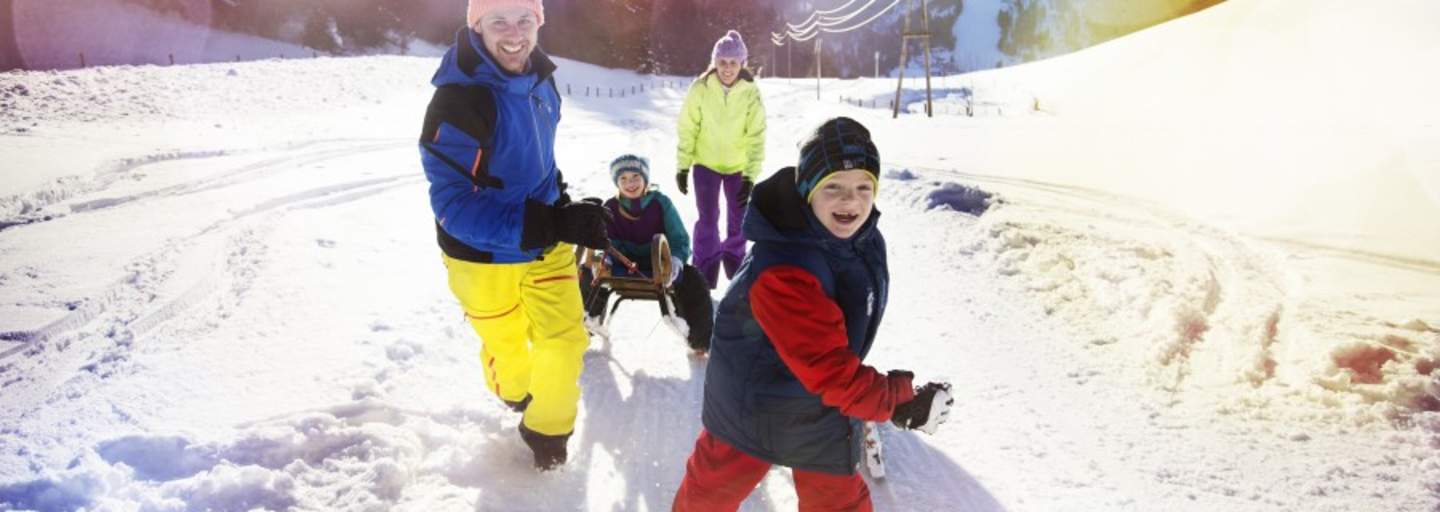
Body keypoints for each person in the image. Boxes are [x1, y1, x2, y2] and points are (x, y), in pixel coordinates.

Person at [672, 118, 951, 511]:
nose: (850, 201)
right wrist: (896, 401)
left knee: (837, 502)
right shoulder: (785, 269)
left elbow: (829, 359)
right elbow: (830, 369)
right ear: (807, 192)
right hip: (753, 403)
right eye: (832, 186)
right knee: (710, 494)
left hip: (819, 405)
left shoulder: (857, 237)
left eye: (863, 187)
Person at [417, 0, 611, 471]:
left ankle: (547, 431)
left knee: (565, 342)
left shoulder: (543, 82)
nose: (514, 33)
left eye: (525, 19)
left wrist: (565, 205)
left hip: (546, 245)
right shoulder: (459, 101)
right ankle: (513, 392)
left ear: (539, 23)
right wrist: (548, 223)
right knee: (511, 357)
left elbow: (540, 161)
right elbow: (453, 205)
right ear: (476, 26)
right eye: (498, 20)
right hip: (481, 258)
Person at [578, 154, 715, 352]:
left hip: (660, 262)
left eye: (635, 176)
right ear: (616, 182)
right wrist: (604, 260)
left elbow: (679, 238)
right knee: (587, 272)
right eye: (623, 178)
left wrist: (675, 260)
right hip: (622, 263)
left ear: (645, 179)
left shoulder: (661, 203)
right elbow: (608, 240)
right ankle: (586, 322)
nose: (630, 183)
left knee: (694, 279)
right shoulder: (611, 207)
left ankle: (700, 339)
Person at [675, 29, 767, 289]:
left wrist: (750, 176)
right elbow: (687, 126)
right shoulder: (701, 88)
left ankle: (735, 263)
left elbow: (756, 135)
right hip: (706, 165)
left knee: (738, 220)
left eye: (733, 63)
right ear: (714, 62)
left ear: (742, 64)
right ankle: (705, 269)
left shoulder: (750, 92)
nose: (727, 68)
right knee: (707, 219)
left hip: (737, 168)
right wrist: (683, 166)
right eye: (722, 62)